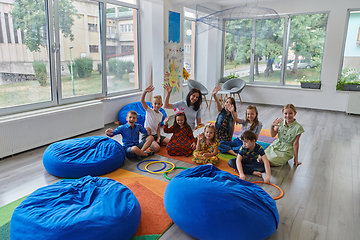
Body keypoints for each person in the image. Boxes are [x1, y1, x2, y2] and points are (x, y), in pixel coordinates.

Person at [140, 85, 170, 152]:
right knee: (157, 148)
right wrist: (145, 92)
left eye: (159, 104)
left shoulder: (161, 114)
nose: (157, 105)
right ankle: (149, 144)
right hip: (147, 136)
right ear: (152, 104)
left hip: (155, 135)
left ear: (161, 105)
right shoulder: (149, 110)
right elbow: (142, 101)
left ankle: (156, 142)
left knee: (170, 142)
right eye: (155, 103)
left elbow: (158, 127)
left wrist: (159, 137)